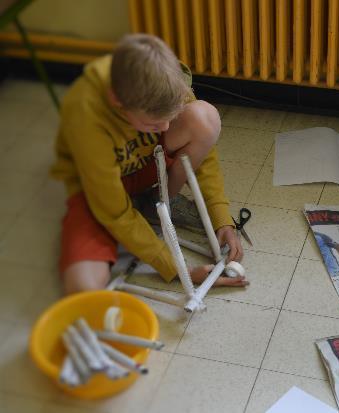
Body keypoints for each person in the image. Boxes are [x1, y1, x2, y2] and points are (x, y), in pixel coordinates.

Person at [51, 34, 249, 294]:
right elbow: (114, 212)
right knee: (83, 287)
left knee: (204, 118)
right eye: (154, 124)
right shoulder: (85, 113)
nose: (166, 129)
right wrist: (177, 268)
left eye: (170, 119)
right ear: (116, 101)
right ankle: (145, 208)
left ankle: (159, 200)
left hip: (145, 164)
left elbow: (204, 153)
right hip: (100, 190)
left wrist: (221, 219)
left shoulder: (164, 75)